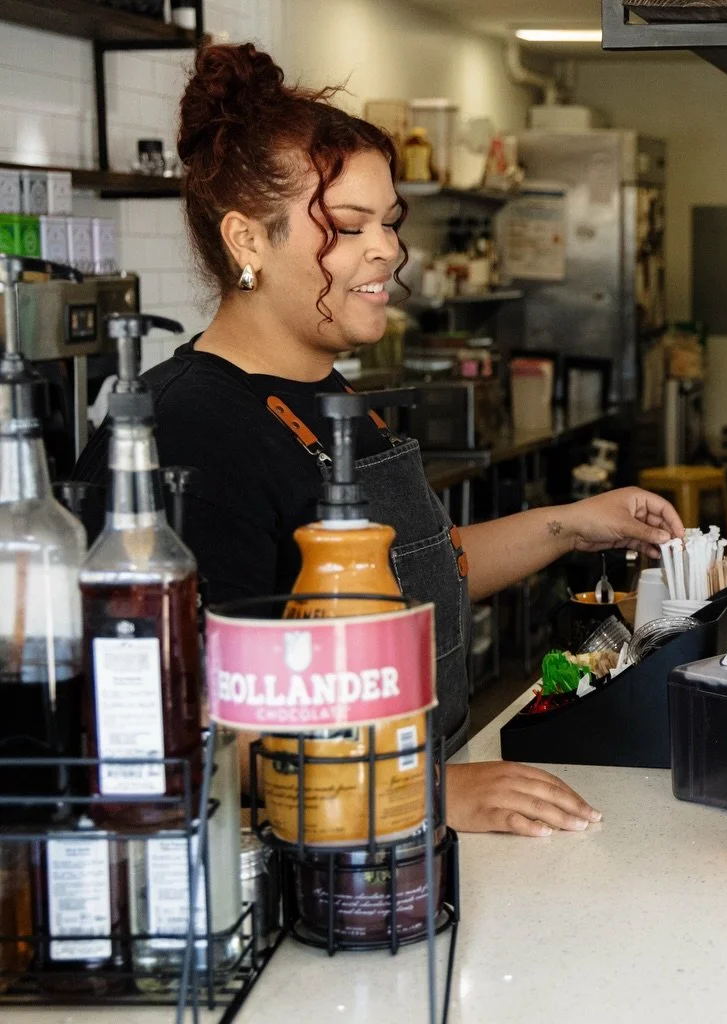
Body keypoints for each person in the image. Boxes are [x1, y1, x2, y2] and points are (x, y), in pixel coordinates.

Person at [73, 43, 685, 838]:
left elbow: (413, 575)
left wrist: (573, 522)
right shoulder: (184, 433)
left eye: (390, 223)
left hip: (400, 835)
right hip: (296, 866)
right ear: (247, 240)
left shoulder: (327, 395)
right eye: (349, 226)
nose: (389, 249)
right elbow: (176, 722)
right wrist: (424, 792)